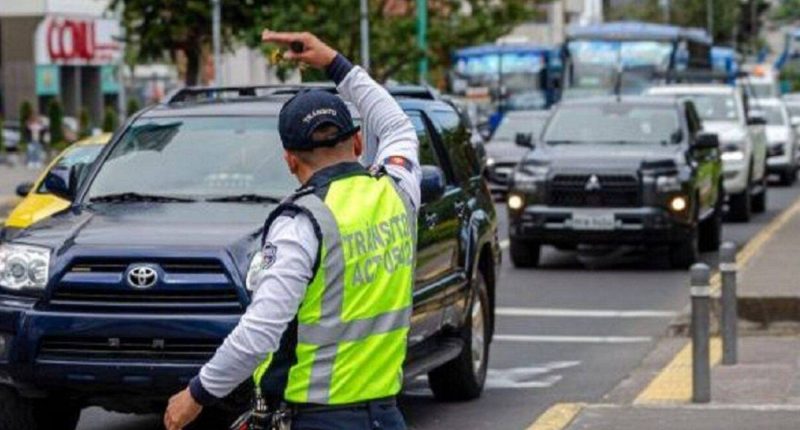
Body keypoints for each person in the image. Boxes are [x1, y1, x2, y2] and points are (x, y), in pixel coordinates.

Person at [163, 30, 420, 430]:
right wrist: (334, 62)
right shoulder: (398, 192)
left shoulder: (302, 223)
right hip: (385, 417)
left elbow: (259, 333)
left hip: (317, 419)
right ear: (357, 142)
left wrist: (195, 395)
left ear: (289, 160)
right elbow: (397, 126)